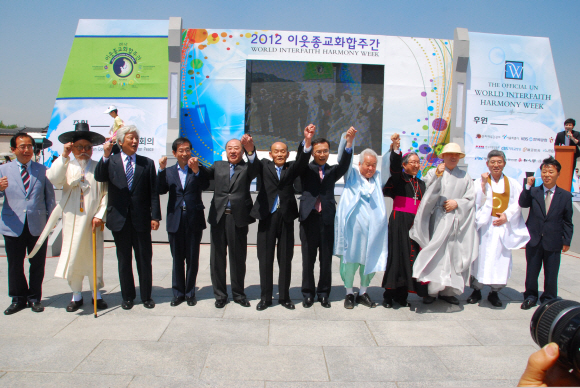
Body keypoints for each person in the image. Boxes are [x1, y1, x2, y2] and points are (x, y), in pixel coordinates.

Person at [27, 123, 109, 312]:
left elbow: (106, 194)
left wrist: (100, 215)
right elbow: (54, 178)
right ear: (72, 148)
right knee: (74, 257)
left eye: (87, 147)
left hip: (92, 222)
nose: (83, 151)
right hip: (72, 220)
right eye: (79, 147)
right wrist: (64, 156)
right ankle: (76, 295)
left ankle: (97, 294)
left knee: (94, 257)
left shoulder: (99, 168)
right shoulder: (66, 165)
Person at [94, 125, 161, 310]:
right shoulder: (112, 161)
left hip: (141, 220)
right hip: (119, 220)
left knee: (144, 259)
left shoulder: (147, 163)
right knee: (124, 260)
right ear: (120, 142)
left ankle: (146, 296)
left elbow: (153, 193)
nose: (134, 142)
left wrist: (155, 216)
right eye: (130, 138)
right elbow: (99, 177)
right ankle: (128, 296)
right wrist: (105, 156)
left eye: (136, 139)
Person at [252, 125, 314, 311]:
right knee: (265, 259)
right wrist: (249, 149)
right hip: (267, 217)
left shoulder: (292, 168)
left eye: (283, 151)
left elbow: (303, 159)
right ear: (271, 154)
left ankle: (285, 297)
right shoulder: (263, 165)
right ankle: (265, 298)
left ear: (287, 154)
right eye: (276, 151)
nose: (279, 154)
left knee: (285, 259)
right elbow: (253, 162)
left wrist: (307, 140)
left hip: (286, 218)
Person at [409, 143, 478, 305]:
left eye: (456, 155)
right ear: (443, 157)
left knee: (453, 256)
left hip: (456, 222)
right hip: (438, 220)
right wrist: (437, 177)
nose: (453, 157)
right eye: (449, 154)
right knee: (436, 254)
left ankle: (449, 290)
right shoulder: (434, 172)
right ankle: (431, 291)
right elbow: (424, 192)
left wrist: (458, 203)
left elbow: (470, 199)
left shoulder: (465, 176)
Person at [0, 133, 55, 315]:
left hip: (37, 224)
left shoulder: (42, 170)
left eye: (30, 146)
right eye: (22, 147)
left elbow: (49, 198)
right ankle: (18, 299)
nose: (26, 150)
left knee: (37, 263)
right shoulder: (4, 169)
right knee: (15, 264)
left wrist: (51, 221)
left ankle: (34, 298)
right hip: (12, 223)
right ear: (13, 149)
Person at [299, 127, 354, 308]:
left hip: (327, 219)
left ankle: (323, 293)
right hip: (309, 218)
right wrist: (307, 141)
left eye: (325, 151)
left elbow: (345, 165)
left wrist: (348, 143)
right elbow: (301, 159)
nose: (322, 154)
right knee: (308, 258)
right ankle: (308, 293)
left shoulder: (332, 171)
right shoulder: (305, 169)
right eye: (318, 151)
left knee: (325, 259)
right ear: (313, 153)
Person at [201, 135, 259, 308]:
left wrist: (251, 150)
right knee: (217, 258)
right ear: (225, 151)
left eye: (237, 148)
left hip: (238, 218)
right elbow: (203, 175)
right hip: (219, 217)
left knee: (238, 258)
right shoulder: (218, 165)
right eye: (230, 148)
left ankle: (239, 294)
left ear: (242, 151)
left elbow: (256, 167)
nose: (233, 151)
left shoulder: (247, 167)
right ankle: (220, 295)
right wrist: (195, 166)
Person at [467, 150, 530, 307]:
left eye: (499, 162)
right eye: (493, 162)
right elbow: (474, 201)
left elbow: (518, 203)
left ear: (504, 163)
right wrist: (482, 185)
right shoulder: (479, 181)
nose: (496, 165)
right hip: (484, 226)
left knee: (500, 259)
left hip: (502, 225)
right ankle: (476, 289)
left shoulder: (512, 183)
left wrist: (506, 216)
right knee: (479, 258)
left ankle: (494, 292)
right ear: (487, 164)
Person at [334, 129, 387, 309]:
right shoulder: (352, 176)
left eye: (373, 165)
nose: (371, 168)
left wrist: (395, 149)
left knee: (368, 261)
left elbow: (390, 167)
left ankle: (363, 292)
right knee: (349, 262)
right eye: (367, 165)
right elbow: (343, 160)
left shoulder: (378, 179)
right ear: (360, 164)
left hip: (372, 232)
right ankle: (349, 293)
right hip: (353, 231)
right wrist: (349, 142)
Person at [158, 138, 209, 307]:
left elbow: (206, 184)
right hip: (175, 219)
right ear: (174, 153)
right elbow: (160, 189)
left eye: (187, 150)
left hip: (193, 219)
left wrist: (196, 171)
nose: (185, 153)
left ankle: (190, 293)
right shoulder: (169, 172)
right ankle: (178, 293)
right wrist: (161, 170)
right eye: (181, 150)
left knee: (192, 259)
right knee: (177, 259)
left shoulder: (198, 169)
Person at [519, 156, 573, 310]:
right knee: (531, 271)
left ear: (557, 174)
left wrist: (566, 240)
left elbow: (568, 221)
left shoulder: (565, 196)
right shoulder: (534, 191)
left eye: (550, 172)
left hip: (554, 240)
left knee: (551, 273)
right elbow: (523, 203)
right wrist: (527, 187)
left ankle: (549, 298)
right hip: (535, 239)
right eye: (544, 172)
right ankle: (530, 296)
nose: (547, 175)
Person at [381, 133, 426, 308]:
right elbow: (393, 167)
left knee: (410, 258)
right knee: (396, 257)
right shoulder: (399, 179)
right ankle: (388, 295)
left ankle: (402, 295)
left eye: (417, 162)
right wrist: (396, 148)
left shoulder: (421, 184)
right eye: (411, 162)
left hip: (415, 224)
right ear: (404, 165)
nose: (415, 165)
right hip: (399, 220)